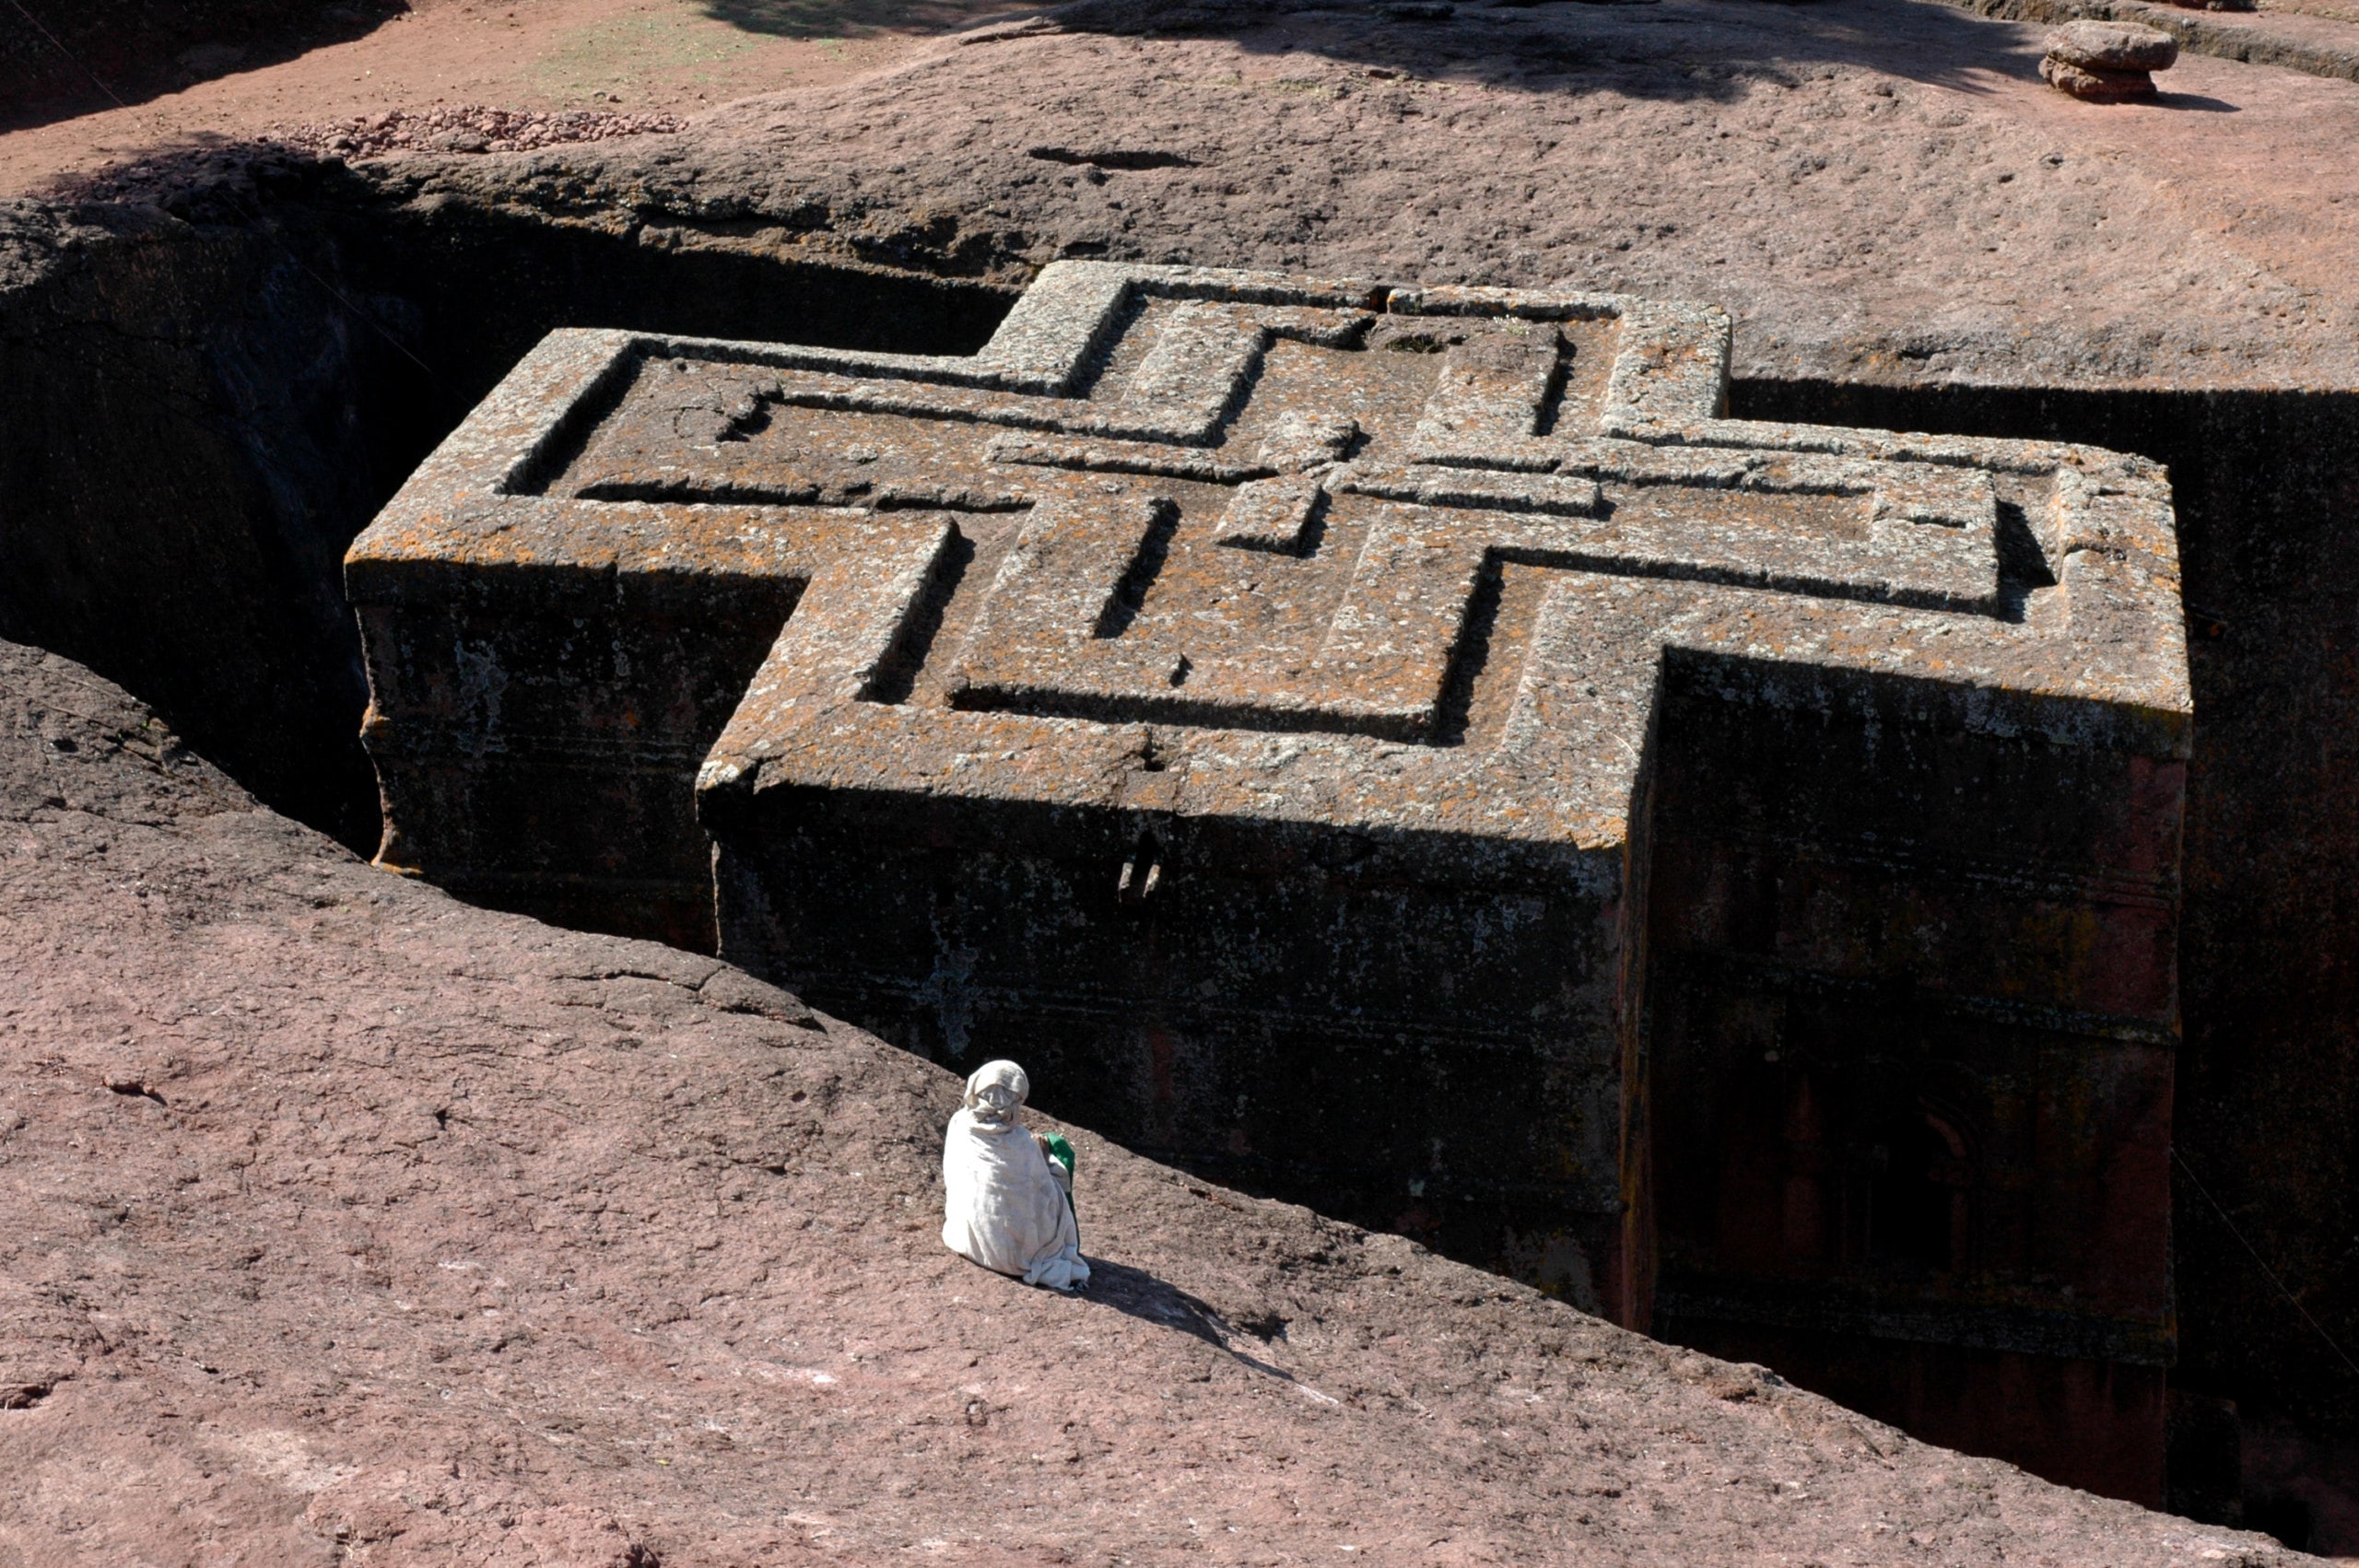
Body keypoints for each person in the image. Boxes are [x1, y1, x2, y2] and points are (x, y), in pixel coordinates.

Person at [941, 1059, 1089, 1292]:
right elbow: (1041, 1197)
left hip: (966, 1238)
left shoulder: (959, 1122)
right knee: (1057, 1176)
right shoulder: (1021, 1143)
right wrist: (1045, 1156)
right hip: (1016, 1258)